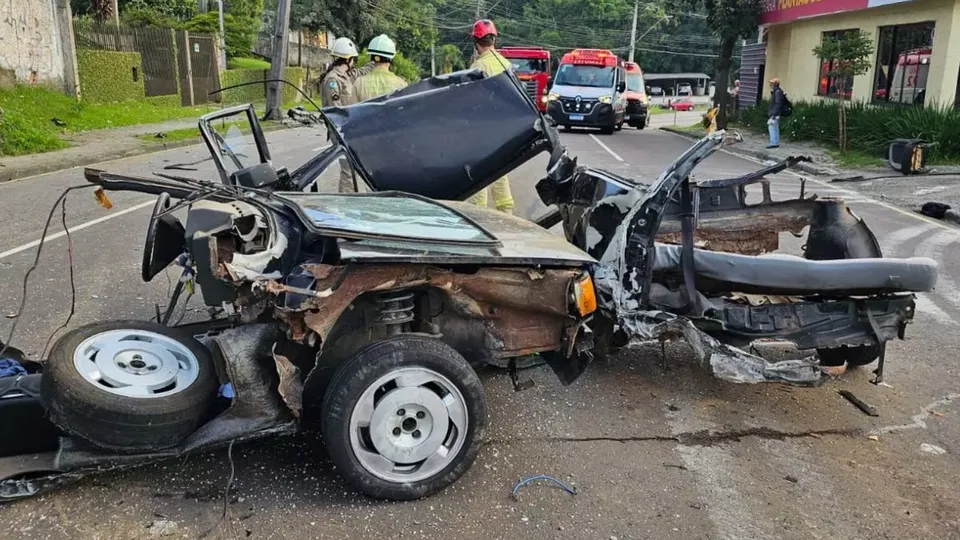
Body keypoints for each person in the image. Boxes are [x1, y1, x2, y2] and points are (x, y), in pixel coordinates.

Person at [465, 19, 515, 215]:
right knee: (501, 173)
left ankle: (479, 217)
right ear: (494, 40)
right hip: (505, 130)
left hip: (482, 129)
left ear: (476, 42)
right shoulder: (507, 64)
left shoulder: (477, 68)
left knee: (481, 174)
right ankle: (507, 215)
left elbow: (470, 103)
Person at [320, 36, 376, 192]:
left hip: (348, 129)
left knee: (354, 168)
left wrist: (375, 62)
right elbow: (335, 110)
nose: (354, 63)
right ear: (348, 59)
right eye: (353, 59)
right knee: (347, 169)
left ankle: (353, 198)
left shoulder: (346, 76)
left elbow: (361, 71)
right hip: (340, 131)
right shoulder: (332, 80)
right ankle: (346, 201)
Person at [355, 34, 408, 102]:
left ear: (371, 56)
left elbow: (351, 110)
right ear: (391, 58)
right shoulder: (401, 84)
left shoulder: (359, 83)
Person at [767, 77, 785, 149]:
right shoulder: (777, 91)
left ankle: (773, 143)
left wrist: (774, 114)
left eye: (771, 83)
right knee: (775, 127)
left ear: (775, 84)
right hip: (776, 113)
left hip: (775, 113)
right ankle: (775, 142)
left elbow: (778, 104)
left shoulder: (777, 92)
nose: (770, 84)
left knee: (772, 127)